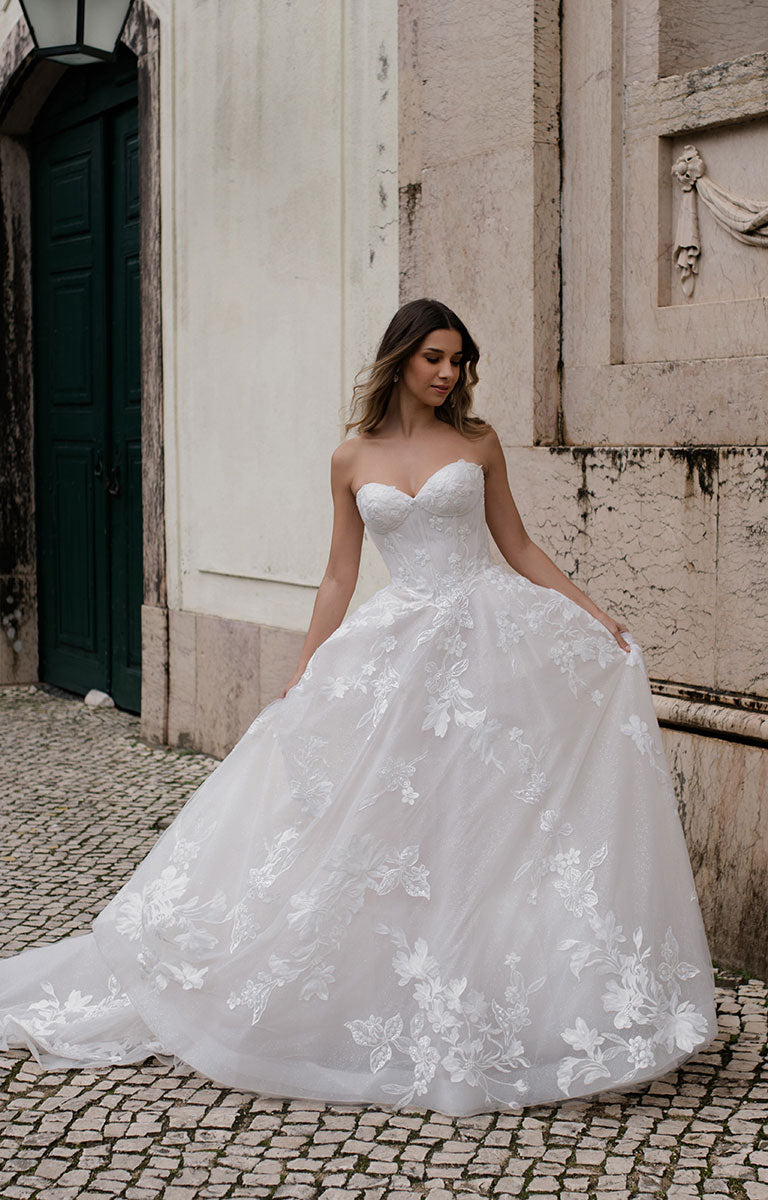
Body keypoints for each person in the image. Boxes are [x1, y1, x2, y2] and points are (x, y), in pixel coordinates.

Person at [1, 298, 716, 1116]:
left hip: (486, 646)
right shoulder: (351, 457)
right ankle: (378, 986)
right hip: (397, 651)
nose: (448, 373)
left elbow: (516, 545)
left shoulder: (478, 443)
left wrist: (594, 616)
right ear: (401, 358)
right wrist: (308, 668)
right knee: (382, 827)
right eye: (434, 357)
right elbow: (340, 573)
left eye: (458, 360)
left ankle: (483, 1000)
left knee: (477, 821)